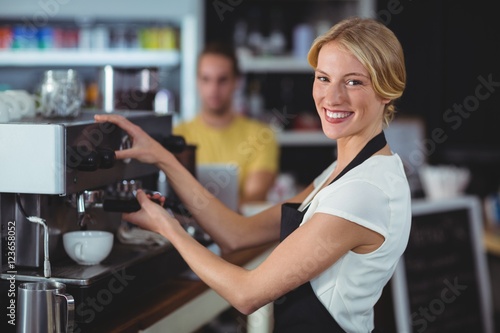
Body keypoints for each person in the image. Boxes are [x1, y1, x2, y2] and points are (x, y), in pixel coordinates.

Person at [95, 16, 411, 333]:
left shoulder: (363, 192)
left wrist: (167, 227)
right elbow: (238, 234)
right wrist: (162, 157)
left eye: (353, 82)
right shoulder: (347, 171)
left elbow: (247, 294)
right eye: (323, 78)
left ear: (387, 90)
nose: (332, 97)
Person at [173, 42, 279, 205]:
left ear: (237, 82)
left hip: (242, 228)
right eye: (206, 79)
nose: (213, 89)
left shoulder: (261, 136)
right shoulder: (176, 136)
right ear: (197, 81)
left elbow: (254, 198)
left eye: (222, 80)